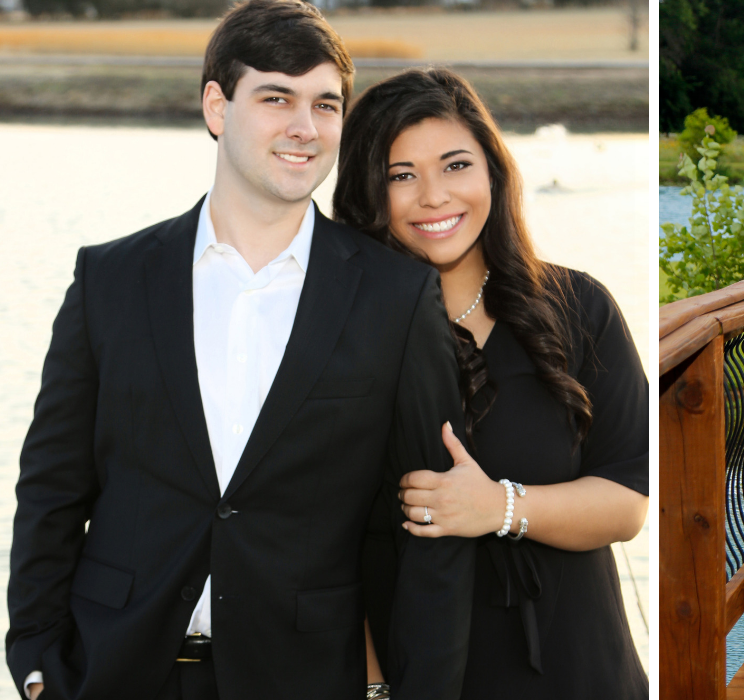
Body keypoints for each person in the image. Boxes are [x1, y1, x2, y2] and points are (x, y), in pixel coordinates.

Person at [7, 2, 476, 698]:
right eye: (276, 97)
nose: (303, 127)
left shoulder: (395, 298)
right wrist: (39, 662)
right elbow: (51, 487)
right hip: (111, 670)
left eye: (325, 104)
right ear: (217, 108)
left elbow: (428, 519)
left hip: (302, 676)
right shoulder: (110, 278)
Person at [331, 68, 650, 698]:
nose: (433, 196)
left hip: (579, 665)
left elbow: (628, 499)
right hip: (424, 677)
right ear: (370, 192)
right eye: (401, 176)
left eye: (455, 165)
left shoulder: (579, 307)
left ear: (493, 172)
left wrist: (498, 508)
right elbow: (320, 543)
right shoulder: (343, 336)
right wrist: (371, 688)